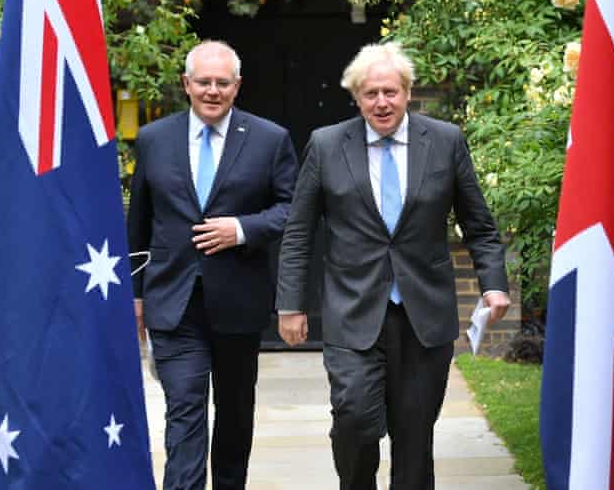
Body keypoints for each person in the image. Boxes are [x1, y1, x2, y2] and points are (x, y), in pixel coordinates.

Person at [276, 42, 510, 490]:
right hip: (353, 311)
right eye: (370, 94)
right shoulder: (327, 146)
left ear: (407, 92)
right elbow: (298, 232)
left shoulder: (444, 141)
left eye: (390, 92)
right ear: (356, 97)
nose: (381, 103)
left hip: (425, 314)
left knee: (414, 436)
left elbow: (478, 224)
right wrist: (290, 304)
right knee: (355, 421)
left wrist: (493, 284)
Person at [128, 40, 298, 490]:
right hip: (173, 301)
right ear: (186, 84)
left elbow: (291, 209)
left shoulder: (269, 139)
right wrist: (136, 294)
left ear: (237, 86)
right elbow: (138, 223)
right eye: (203, 82)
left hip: (238, 302)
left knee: (235, 413)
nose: (212, 91)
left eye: (222, 83)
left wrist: (241, 229)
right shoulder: (153, 140)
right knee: (183, 408)